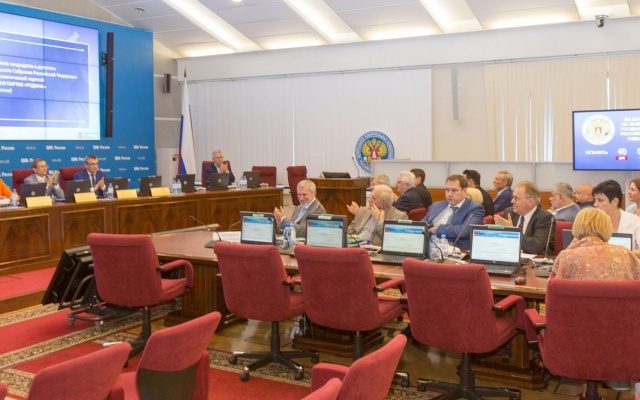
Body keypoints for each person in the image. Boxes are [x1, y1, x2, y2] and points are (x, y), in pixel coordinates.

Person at [552, 207, 640, 280]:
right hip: (617, 297)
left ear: (576, 226)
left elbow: (553, 288)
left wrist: (568, 249)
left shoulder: (566, 257)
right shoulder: (626, 253)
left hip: (581, 297)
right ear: (608, 227)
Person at [422, 174, 484, 250]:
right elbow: (422, 225)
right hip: (428, 247)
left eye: (454, 190)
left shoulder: (475, 208)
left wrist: (437, 229)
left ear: (464, 191)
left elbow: (465, 231)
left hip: (455, 250)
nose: (449, 194)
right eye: (447, 190)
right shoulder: (436, 206)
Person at [494, 180, 555, 255]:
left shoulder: (544, 218)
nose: (512, 201)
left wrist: (512, 231)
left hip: (535, 260)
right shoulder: (509, 212)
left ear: (530, 201)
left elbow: (535, 247)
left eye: (516, 198)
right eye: (512, 197)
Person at [592, 179, 640, 250]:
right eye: (595, 200)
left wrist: (620, 252)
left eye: (600, 200)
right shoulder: (592, 224)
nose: (595, 204)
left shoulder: (636, 222)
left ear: (615, 201)